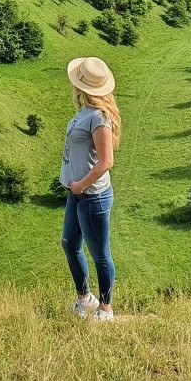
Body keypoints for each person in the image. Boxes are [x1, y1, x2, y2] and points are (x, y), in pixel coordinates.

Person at [60, 56, 121, 322]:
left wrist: (81, 185)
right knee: (69, 244)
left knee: (100, 255)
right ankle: (85, 298)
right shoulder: (85, 112)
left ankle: (106, 309)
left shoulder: (99, 117)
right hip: (78, 193)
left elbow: (107, 161)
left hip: (92, 195)